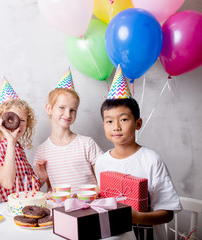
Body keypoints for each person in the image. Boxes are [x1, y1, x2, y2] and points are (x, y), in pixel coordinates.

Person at [95, 65, 181, 239]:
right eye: (109, 121)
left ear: (138, 123)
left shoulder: (151, 160)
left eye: (124, 119)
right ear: (104, 126)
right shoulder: (102, 162)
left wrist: (138, 217)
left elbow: (168, 212)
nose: (116, 127)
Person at [33, 68, 103, 196]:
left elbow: (103, 181)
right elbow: (50, 188)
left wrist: (85, 197)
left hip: (89, 209)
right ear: (49, 108)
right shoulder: (41, 151)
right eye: (62, 108)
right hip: (62, 211)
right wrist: (48, 190)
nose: (67, 114)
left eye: (73, 110)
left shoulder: (87, 144)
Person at [0, 77, 40, 202]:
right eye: (12, 119)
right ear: (1, 120)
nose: (17, 124)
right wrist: (11, 142)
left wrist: (42, 179)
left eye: (22, 120)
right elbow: (8, 183)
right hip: (6, 211)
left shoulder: (18, 148)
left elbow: (26, 189)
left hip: (25, 207)